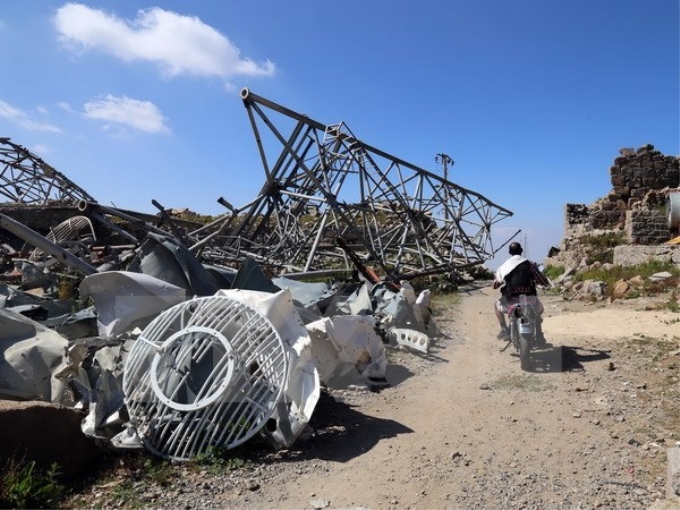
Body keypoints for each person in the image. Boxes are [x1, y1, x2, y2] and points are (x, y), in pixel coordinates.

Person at [492, 242, 549, 345]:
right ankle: (539, 334)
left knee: (496, 306)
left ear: (510, 252)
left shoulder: (504, 266)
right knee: (539, 310)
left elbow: (495, 285)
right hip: (529, 299)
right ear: (521, 251)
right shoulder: (530, 264)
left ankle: (504, 330)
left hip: (510, 300)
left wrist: (500, 281)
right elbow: (542, 281)